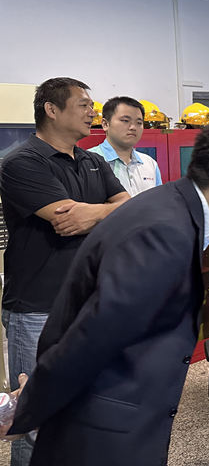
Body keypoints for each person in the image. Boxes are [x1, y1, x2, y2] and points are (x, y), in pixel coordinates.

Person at [3, 118, 209, 466]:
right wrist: (29, 407)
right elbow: (93, 336)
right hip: (102, 429)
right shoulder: (164, 230)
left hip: (121, 411)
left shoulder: (173, 208)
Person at [0, 77, 129, 466]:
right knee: (36, 417)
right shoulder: (21, 162)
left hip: (88, 302)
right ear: (51, 110)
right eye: (84, 104)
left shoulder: (93, 160)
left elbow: (131, 207)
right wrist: (105, 212)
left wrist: (94, 212)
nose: (93, 111)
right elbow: (66, 218)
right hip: (36, 309)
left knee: (84, 404)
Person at [88, 96, 162, 197]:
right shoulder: (88, 161)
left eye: (139, 123)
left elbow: (158, 201)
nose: (133, 127)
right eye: (125, 121)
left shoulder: (150, 164)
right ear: (105, 124)